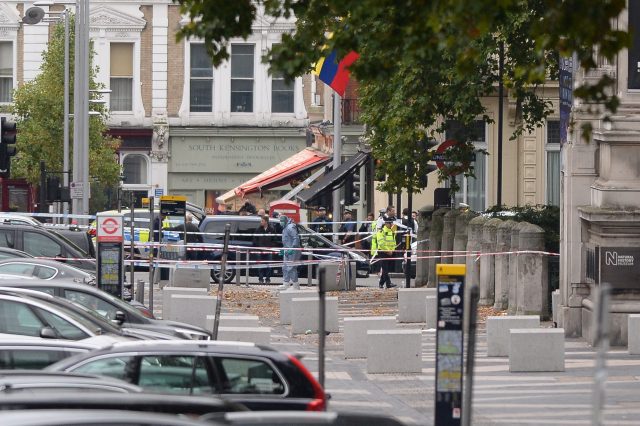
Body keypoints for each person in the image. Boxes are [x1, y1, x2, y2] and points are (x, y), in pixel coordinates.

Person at [371, 216, 398, 289]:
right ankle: (388, 283)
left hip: (390, 252)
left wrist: (392, 250)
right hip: (383, 252)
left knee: (386, 269)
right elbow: (381, 242)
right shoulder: (381, 231)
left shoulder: (392, 232)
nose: (392, 224)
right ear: (386, 223)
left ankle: (381, 283)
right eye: (390, 223)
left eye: (392, 223)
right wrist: (387, 250)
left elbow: (393, 242)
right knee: (385, 269)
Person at [279, 215, 301, 290]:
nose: (280, 222)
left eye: (282, 221)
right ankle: (286, 283)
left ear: (285, 220)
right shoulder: (285, 228)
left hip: (293, 250)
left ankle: (295, 285)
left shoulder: (290, 227)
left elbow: (296, 238)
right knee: (285, 267)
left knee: (291, 268)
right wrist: (283, 249)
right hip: (287, 249)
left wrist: (293, 248)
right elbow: (286, 240)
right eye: (280, 220)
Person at [253, 215, 275, 284]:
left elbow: (274, 240)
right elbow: (255, 240)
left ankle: (268, 279)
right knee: (260, 265)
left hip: (269, 250)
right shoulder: (258, 229)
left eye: (262, 221)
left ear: (266, 221)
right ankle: (260, 279)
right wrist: (260, 247)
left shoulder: (272, 230)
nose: (261, 222)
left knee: (269, 265)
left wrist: (270, 246)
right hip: (260, 250)